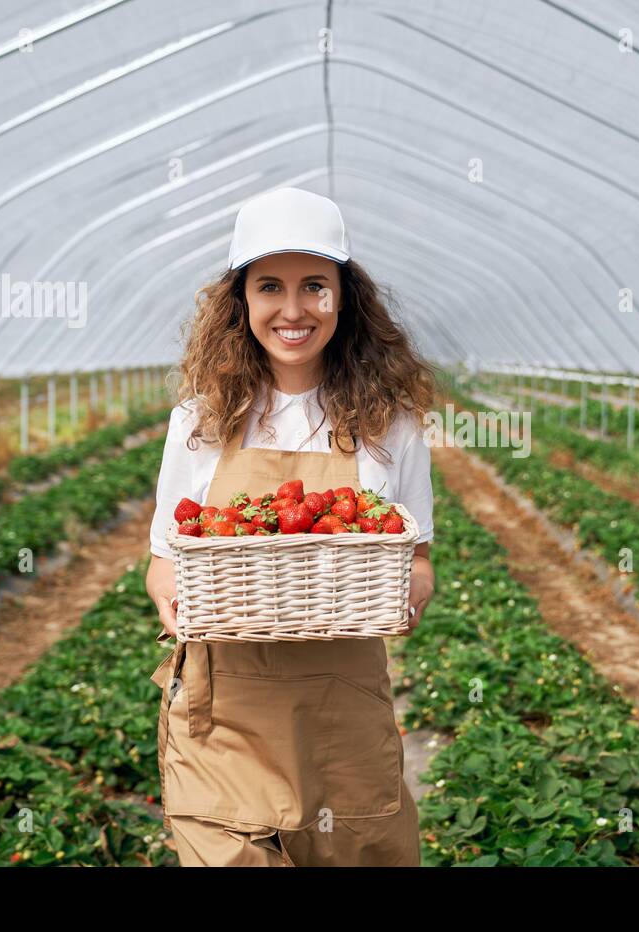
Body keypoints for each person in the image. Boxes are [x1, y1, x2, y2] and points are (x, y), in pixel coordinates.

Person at [144, 186, 435, 866]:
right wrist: (169, 595)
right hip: (225, 720)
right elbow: (165, 555)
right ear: (240, 299)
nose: (294, 309)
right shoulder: (198, 421)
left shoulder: (389, 424)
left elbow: (415, 556)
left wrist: (411, 591)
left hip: (341, 720)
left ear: (345, 296)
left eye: (316, 286)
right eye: (270, 285)